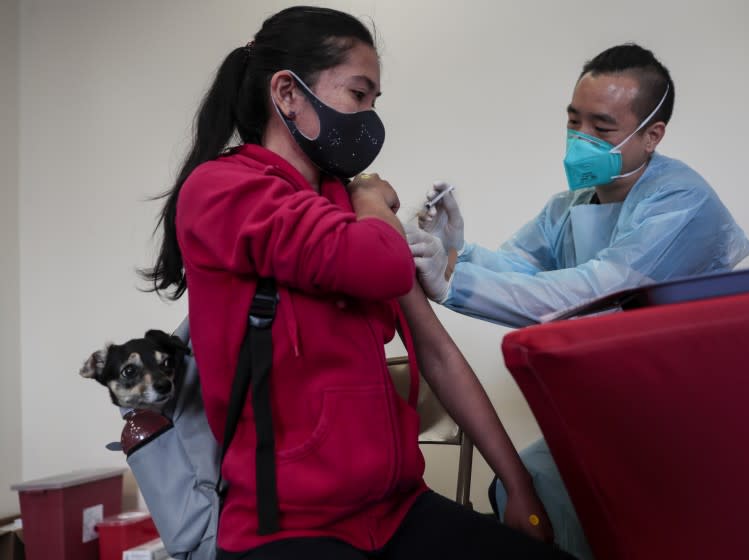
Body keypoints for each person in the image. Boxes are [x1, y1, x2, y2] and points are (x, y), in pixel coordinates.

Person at [143, 6, 574, 560]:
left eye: (375, 101)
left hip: (396, 512)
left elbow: (436, 352)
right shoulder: (224, 191)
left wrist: (519, 486)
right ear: (288, 93)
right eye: (358, 94)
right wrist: (370, 193)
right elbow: (378, 263)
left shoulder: (346, 206)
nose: (370, 118)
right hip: (287, 529)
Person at [408, 44, 749, 559]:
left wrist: (453, 280)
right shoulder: (569, 206)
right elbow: (521, 270)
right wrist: (457, 251)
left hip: (679, 426)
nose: (580, 140)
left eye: (602, 127)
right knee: (526, 495)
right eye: (574, 121)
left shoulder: (680, 204)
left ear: (652, 134)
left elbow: (592, 292)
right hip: (605, 414)